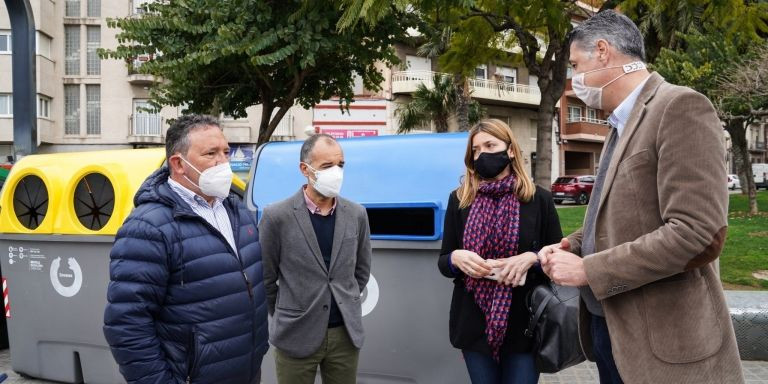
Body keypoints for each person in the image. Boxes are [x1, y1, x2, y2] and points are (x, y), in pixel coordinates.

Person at [539, 10, 744, 384]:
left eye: (575, 65)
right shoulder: (621, 123)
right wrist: (574, 245)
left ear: (603, 52)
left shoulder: (680, 107)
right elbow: (623, 216)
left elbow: (697, 234)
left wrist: (589, 270)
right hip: (610, 329)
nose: (574, 78)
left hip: (663, 345)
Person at [103, 115, 268, 384]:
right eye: (211, 154)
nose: (224, 163)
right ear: (178, 164)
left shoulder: (236, 210)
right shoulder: (149, 227)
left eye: (226, 152)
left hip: (246, 370)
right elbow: (127, 323)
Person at [437, 119, 563, 384]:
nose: (482, 154)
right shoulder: (460, 199)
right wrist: (456, 258)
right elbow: (443, 261)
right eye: (476, 150)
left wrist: (532, 258)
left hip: (524, 323)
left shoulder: (538, 199)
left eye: (490, 145)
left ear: (510, 151)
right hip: (473, 322)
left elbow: (558, 256)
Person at [259, 134, 372, 384]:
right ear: (305, 169)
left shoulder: (356, 214)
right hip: (295, 333)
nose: (336, 172)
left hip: (345, 334)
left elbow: (362, 270)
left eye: (340, 165)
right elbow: (266, 278)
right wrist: (286, 313)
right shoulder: (276, 216)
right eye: (327, 166)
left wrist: (346, 299)